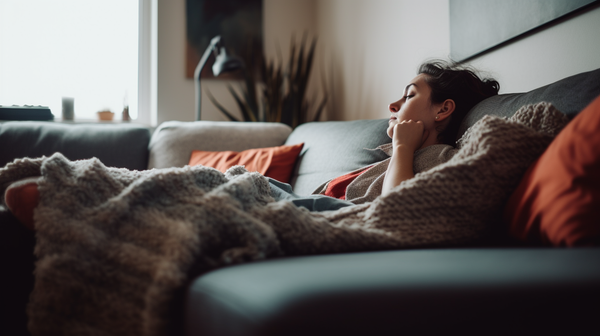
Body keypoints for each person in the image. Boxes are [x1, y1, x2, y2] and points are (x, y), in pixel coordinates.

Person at [269, 60, 500, 210]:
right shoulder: (394, 161)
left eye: (409, 96)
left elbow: (397, 209)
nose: (392, 105)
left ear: (443, 109)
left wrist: (403, 148)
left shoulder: (443, 159)